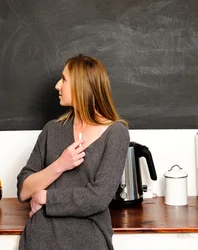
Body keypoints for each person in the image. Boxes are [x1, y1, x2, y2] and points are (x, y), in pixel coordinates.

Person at [17, 54, 130, 250]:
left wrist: (46, 197)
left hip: (89, 240)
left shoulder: (116, 134)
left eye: (64, 79)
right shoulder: (52, 130)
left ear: (81, 85)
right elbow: (24, 190)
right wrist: (60, 164)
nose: (57, 86)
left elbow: (99, 198)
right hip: (41, 239)